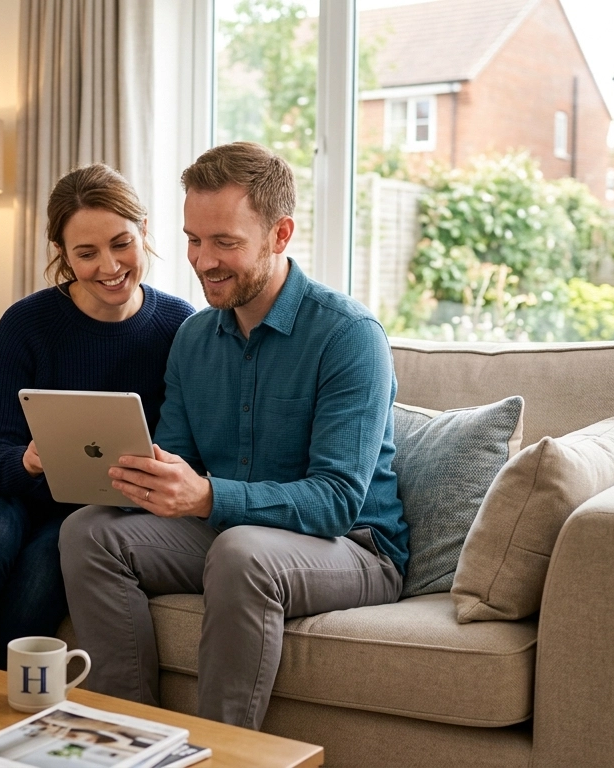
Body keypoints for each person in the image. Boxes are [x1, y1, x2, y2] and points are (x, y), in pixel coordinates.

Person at [58, 142, 409, 729]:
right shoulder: (193, 339)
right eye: (195, 240)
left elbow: (337, 501)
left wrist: (207, 497)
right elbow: (181, 465)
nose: (204, 260)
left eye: (226, 242)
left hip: (353, 546)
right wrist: (138, 474)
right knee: (89, 533)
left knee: (241, 551)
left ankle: (222, 754)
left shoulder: (348, 335)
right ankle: (127, 738)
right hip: (228, 533)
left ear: (280, 234)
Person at [0, 164, 195, 669]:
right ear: (63, 255)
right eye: (86, 253)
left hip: (88, 511)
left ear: (144, 233)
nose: (109, 266)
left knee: (49, 561)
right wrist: (27, 460)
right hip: (2, 491)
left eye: (121, 243)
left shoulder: (181, 327)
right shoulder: (27, 322)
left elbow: (186, 449)